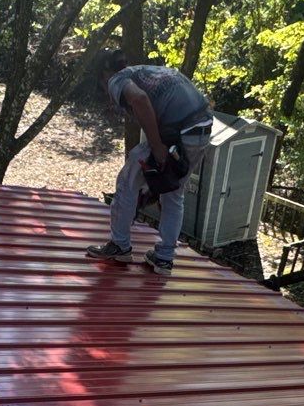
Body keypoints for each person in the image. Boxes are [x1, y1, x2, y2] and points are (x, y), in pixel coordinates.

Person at [84, 49, 214, 276]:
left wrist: (157, 147)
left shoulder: (118, 78)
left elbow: (140, 100)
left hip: (178, 132)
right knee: (173, 192)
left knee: (127, 182)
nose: (107, 92)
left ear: (103, 75)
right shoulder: (150, 72)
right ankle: (164, 258)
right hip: (202, 128)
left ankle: (120, 245)